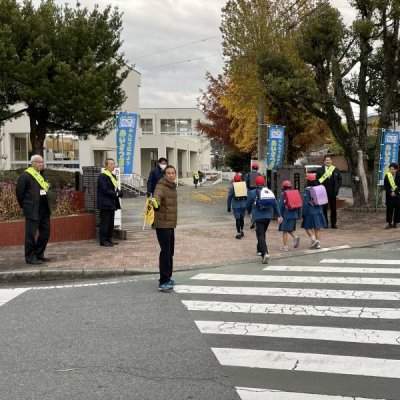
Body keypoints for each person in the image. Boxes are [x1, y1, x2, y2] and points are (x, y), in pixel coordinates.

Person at [16, 154, 51, 265]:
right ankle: (30, 257)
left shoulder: (42, 175)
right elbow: (19, 194)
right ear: (33, 163)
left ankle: (39, 253)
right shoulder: (25, 176)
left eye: (42, 162)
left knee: (45, 233)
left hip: (44, 210)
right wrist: (26, 206)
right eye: (39, 162)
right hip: (32, 210)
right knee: (30, 235)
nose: (41, 164)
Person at [151, 165, 178, 291]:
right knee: (165, 252)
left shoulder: (171, 186)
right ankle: (163, 281)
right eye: (169, 173)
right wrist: (155, 204)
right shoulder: (160, 186)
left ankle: (168, 277)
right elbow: (157, 197)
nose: (171, 175)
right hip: (162, 225)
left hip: (170, 224)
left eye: (173, 173)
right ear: (164, 175)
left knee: (170, 252)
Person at [246, 175, 283, 264]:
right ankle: (259, 250)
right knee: (262, 233)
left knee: (260, 235)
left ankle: (265, 253)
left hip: (258, 217)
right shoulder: (269, 191)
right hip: (268, 217)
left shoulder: (252, 193)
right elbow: (275, 204)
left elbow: (248, 204)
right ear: (264, 183)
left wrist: (250, 212)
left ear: (256, 183)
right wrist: (279, 215)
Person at [96, 158, 123, 247]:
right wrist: (116, 194)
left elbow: (115, 187)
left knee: (111, 223)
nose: (112, 166)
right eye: (110, 164)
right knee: (105, 223)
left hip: (112, 203)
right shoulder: (102, 176)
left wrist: (119, 192)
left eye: (113, 164)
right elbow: (105, 190)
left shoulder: (112, 176)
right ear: (106, 166)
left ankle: (109, 239)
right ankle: (103, 240)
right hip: (105, 203)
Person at [302, 173, 327, 249]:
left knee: (307, 227)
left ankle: (314, 240)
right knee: (317, 228)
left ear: (308, 180)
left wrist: (303, 213)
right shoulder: (319, 188)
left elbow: (306, 203)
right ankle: (318, 244)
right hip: (319, 211)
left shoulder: (307, 190)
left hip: (310, 211)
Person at [316, 154, 342, 228]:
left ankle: (333, 224)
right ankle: (325, 223)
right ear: (324, 162)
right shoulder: (320, 170)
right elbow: (317, 181)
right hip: (323, 193)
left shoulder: (335, 169)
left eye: (329, 160)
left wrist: (337, 188)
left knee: (333, 209)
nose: (328, 161)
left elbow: (340, 180)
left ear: (331, 161)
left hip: (333, 192)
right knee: (324, 209)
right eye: (326, 160)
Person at [278, 180, 301, 252]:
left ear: (283, 187)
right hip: (294, 214)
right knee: (289, 229)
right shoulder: (295, 193)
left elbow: (281, 206)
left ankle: (286, 247)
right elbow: (299, 204)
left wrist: (279, 215)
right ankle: (295, 237)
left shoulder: (283, 194)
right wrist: (299, 215)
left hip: (285, 215)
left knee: (284, 230)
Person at [227, 174, 247, 239]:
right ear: (240, 179)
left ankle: (238, 233)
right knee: (242, 218)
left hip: (236, 205)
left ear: (234, 180)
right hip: (243, 204)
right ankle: (242, 230)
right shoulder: (244, 186)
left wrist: (228, 206)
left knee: (237, 219)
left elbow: (229, 197)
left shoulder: (233, 187)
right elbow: (248, 195)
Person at [245, 162, 262, 229]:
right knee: (257, 206)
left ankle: (253, 220)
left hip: (250, 191)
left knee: (251, 206)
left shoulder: (248, 174)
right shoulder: (259, 175)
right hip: (258, 191)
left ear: (252, 167)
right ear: (257, 168)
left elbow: (245, 183)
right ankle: (256, 220)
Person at [383, 162, 400, 228]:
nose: (391, 170)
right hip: (389, 196)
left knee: (397, 210)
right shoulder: (387, 176)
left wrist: (395, 192)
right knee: (389, 210)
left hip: (397, 196)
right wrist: (390, 192)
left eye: (393, 169)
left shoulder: (399, 175)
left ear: (396, 169)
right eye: (390, 169)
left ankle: (395, 223)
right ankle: (389, 223)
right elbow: (386, 185)